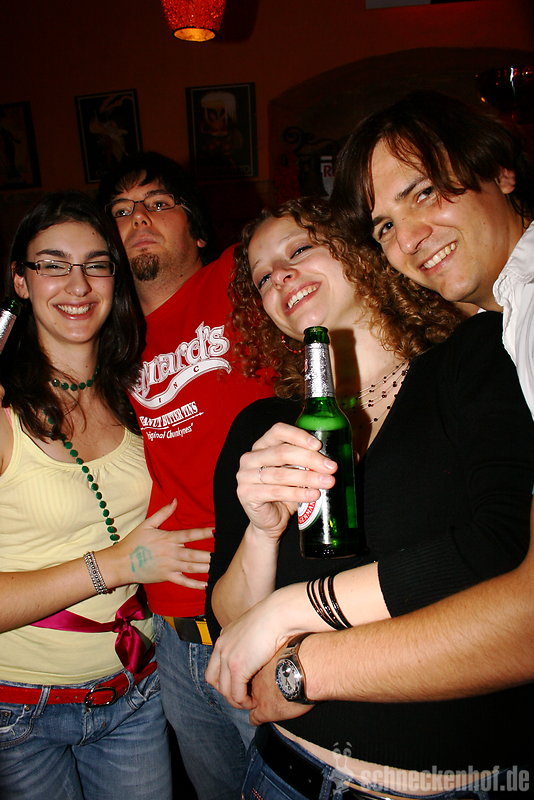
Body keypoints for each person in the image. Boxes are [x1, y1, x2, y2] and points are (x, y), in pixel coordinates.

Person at [213, 89, 534, 725]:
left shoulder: (476, 358)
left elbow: (503, 550)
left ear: (358, 254)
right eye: (263, 277)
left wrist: (300, 613)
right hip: (284, 760)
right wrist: (263, 530)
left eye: (299, 251)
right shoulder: (260, 427)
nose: (281, 277)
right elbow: (230, 621)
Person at [0, 191, 213, 800]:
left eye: (96, 264)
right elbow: (127, 559)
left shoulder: (139, 393)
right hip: (20, 711)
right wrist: (116, 566)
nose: (78, 283)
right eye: (53, 264)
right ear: (20, 281)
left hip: (135, 690)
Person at [97, 152, 273, 800]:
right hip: (169, 635)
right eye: (121, 211)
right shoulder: (109, 339)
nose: (138, 218)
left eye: (157, 203)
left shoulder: (237, 279)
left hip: (261, 613)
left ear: (197, 229)